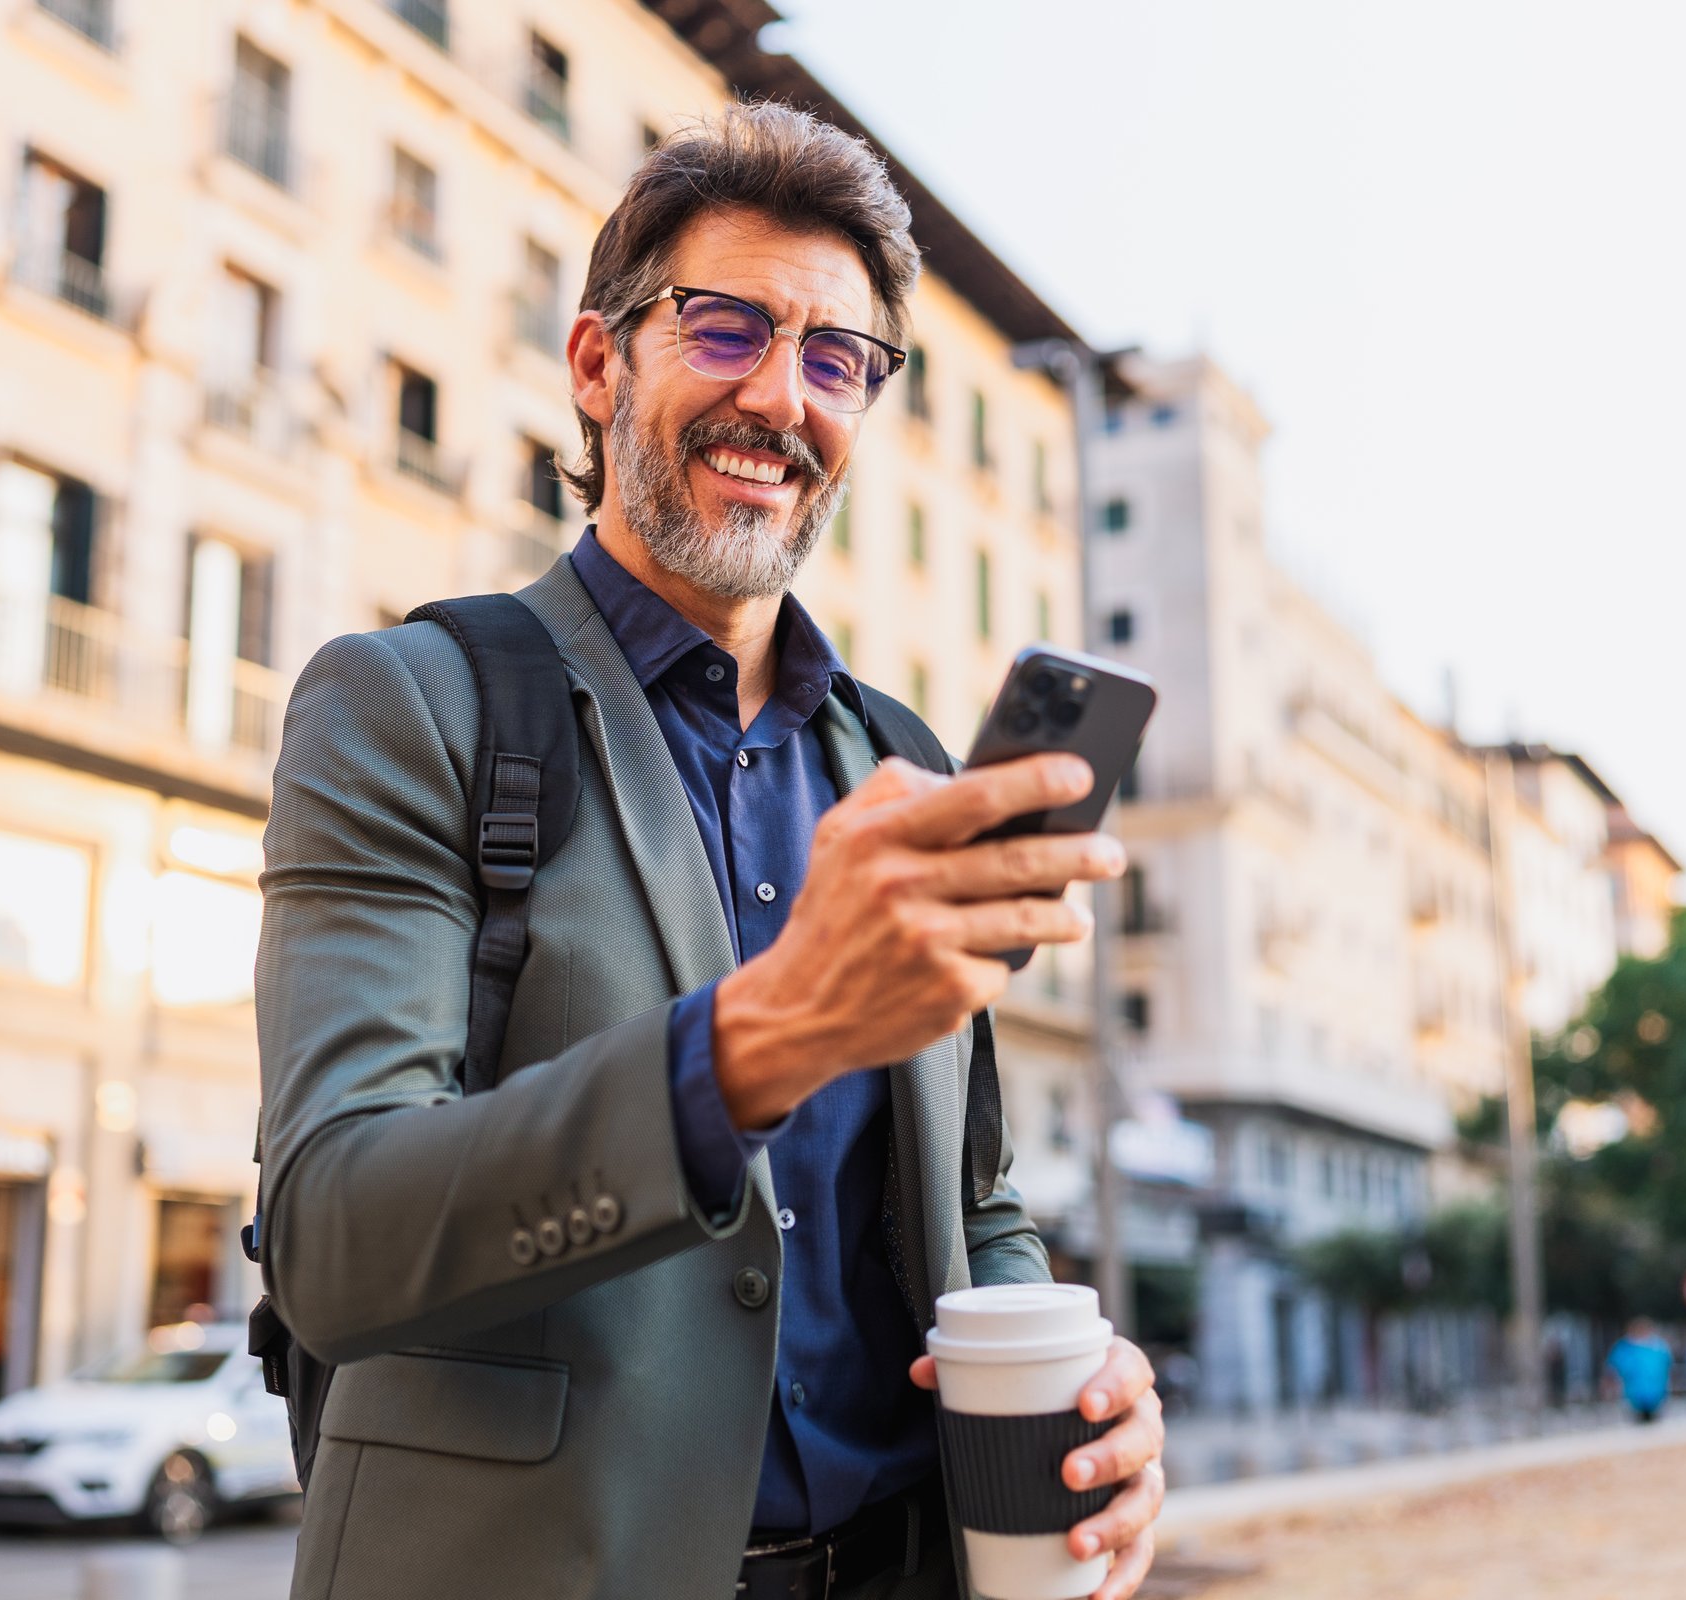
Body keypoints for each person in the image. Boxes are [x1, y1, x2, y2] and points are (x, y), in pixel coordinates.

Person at [257, 103, 1164, 1600]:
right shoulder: (408, 704)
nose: (781, 398)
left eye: (835, 360)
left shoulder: (904, 765)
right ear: (600, 364)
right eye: (727, 327)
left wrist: (1079, 1380)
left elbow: (973, 1204)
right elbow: (335, 1239)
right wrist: (764, 1034)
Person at [1605, 1319, 1673, 1424]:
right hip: (1632, 1397)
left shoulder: (1659, 1347)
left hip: (1657, 1395)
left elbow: (1668, 1367)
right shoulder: (1624, 1348)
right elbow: (1612, 1370)